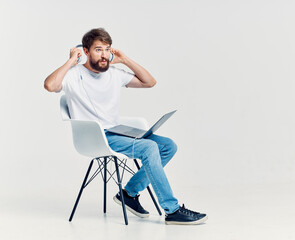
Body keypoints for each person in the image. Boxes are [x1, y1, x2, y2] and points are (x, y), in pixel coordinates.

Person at [44, 28, 207, 225]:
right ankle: (171, 210)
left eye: (107, 49)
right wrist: (71, 60)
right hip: (97, 137)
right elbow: (50, 86)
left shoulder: (114, 73)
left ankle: (128, 194)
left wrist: (125, 60)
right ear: (85, 52)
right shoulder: (73, 75)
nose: (104, 55)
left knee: (168, 146)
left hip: (117, 131)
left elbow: (150, 82)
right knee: (149, 148)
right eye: (98, 49)